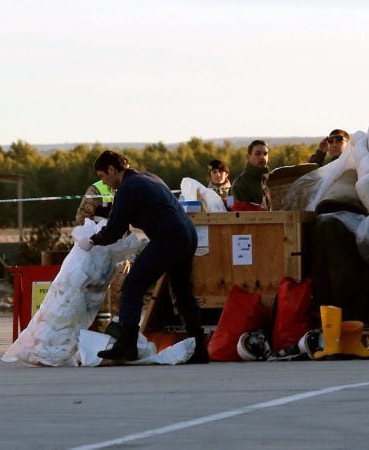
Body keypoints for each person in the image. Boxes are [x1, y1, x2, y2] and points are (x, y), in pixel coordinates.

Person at [77, 150, 208, 363]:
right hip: (187, 234)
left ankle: (127, 346)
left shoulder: (127, 188)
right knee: (182, 293)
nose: (104, 182)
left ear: (112, 169)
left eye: (103, 176)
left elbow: (114, 230)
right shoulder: (148, 177)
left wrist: (92, 240)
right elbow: (123, 212)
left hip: (168, 237)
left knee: (132, 286)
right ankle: (199, 349)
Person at [231, 140, 271, 211]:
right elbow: (239, 215)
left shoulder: (270, 180)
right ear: (248, 157)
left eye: (265, 154)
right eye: (258, 154)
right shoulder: (240, 184)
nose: (262, 157)